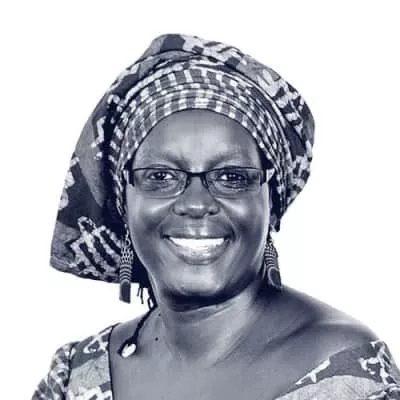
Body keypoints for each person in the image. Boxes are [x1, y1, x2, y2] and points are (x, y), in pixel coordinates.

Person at [32, 33, 400, 399]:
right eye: (160, 176)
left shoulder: (343, 373)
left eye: (232, 177)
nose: (196, 203)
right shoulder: (76, 374)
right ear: (123, 202)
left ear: (271, 201)